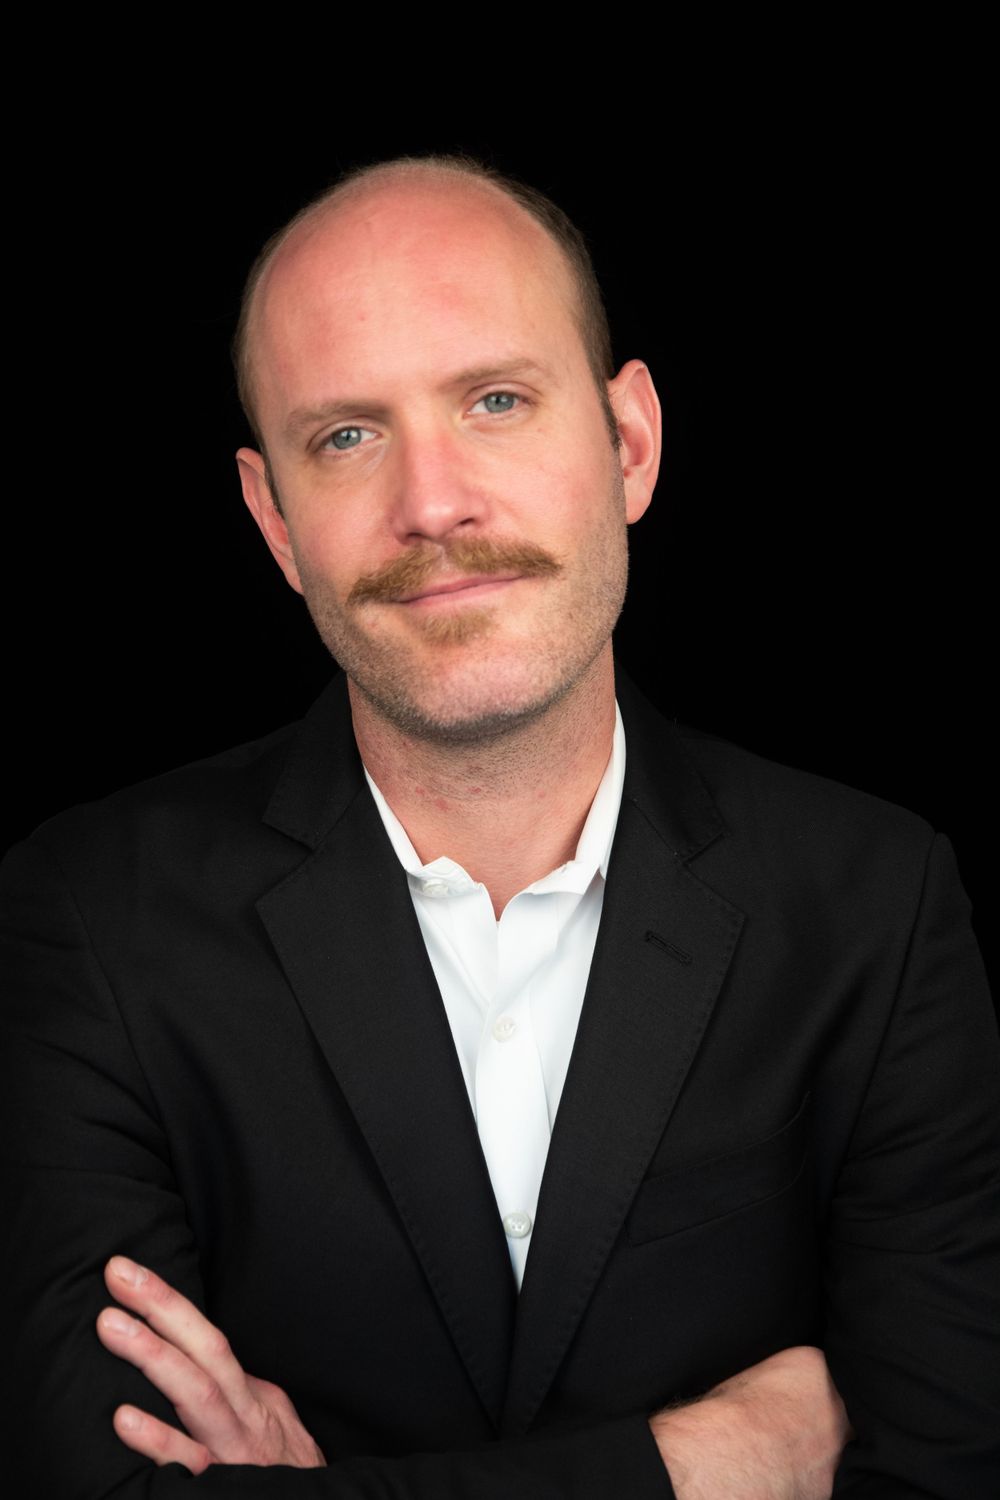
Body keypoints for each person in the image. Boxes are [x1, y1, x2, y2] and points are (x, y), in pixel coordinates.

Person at [2, 153, 997, 1499]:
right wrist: (703, 1463)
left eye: (497, 401)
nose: (433, 504)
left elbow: (943, 1471)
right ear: (274, 521)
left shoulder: (877, 905)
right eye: (346, 436)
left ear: (630, 445)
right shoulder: (85, 918)